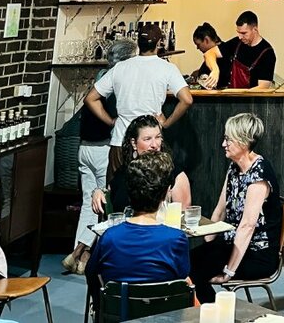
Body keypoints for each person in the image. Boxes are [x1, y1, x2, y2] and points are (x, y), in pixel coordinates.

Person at [189, 113, 282, 303]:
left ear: (243, 142)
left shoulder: (259, 176)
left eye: (228, 139)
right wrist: (208, 243)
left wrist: (228, 272)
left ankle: (214, 313)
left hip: (257, 253)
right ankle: (210, 311)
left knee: (195, 274)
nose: (224, 144)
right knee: (185, 263)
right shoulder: (234, 167)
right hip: (231, 244)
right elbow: (220, 209)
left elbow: (247, 226)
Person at [64, 39, 137, 276]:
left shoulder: (100, 76)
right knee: (105, 204)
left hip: (84, 147)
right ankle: (84, 255)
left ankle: (78, 254)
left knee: (88, 203)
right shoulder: (118, 82)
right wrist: (112, 122)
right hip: (104, 149)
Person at [85, 23, 193, 180]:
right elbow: (187, 99)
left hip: (120, 139)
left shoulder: (120, 67)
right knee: (149, 190)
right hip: (149, 142)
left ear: (138, 44)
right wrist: (167, 123)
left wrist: (110, 121)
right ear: (159, 43)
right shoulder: (167, 68)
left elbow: (90, 98)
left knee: (116, 192)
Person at [86, 152, 190, 313]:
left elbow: (91, 273)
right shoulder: (176, 239)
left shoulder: (110, 237)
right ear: (165, 193)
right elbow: (180, 281)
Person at [92, 115, 191, 216]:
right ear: (134, 143)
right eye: (147, 139)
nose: (154, 145)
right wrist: (98, 192)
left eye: (158, 137)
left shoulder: (174, 174)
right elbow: (109, 192)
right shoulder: (126, 171)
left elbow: (182, 217)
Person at [202, 11, 276, 90]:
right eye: (238, 32)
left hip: (251, 101)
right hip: (232, 98)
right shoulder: (237, 42)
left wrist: (241, 95)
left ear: (255, 30)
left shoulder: (268, 53)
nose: (240, 37)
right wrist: (215, 70)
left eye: (244, 33)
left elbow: (263, 87)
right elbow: (209, 54)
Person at [191, 22, 230, 87]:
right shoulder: (224, 49)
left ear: (207, 40)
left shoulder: (224, 53)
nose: (197, 48)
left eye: (198, 44)